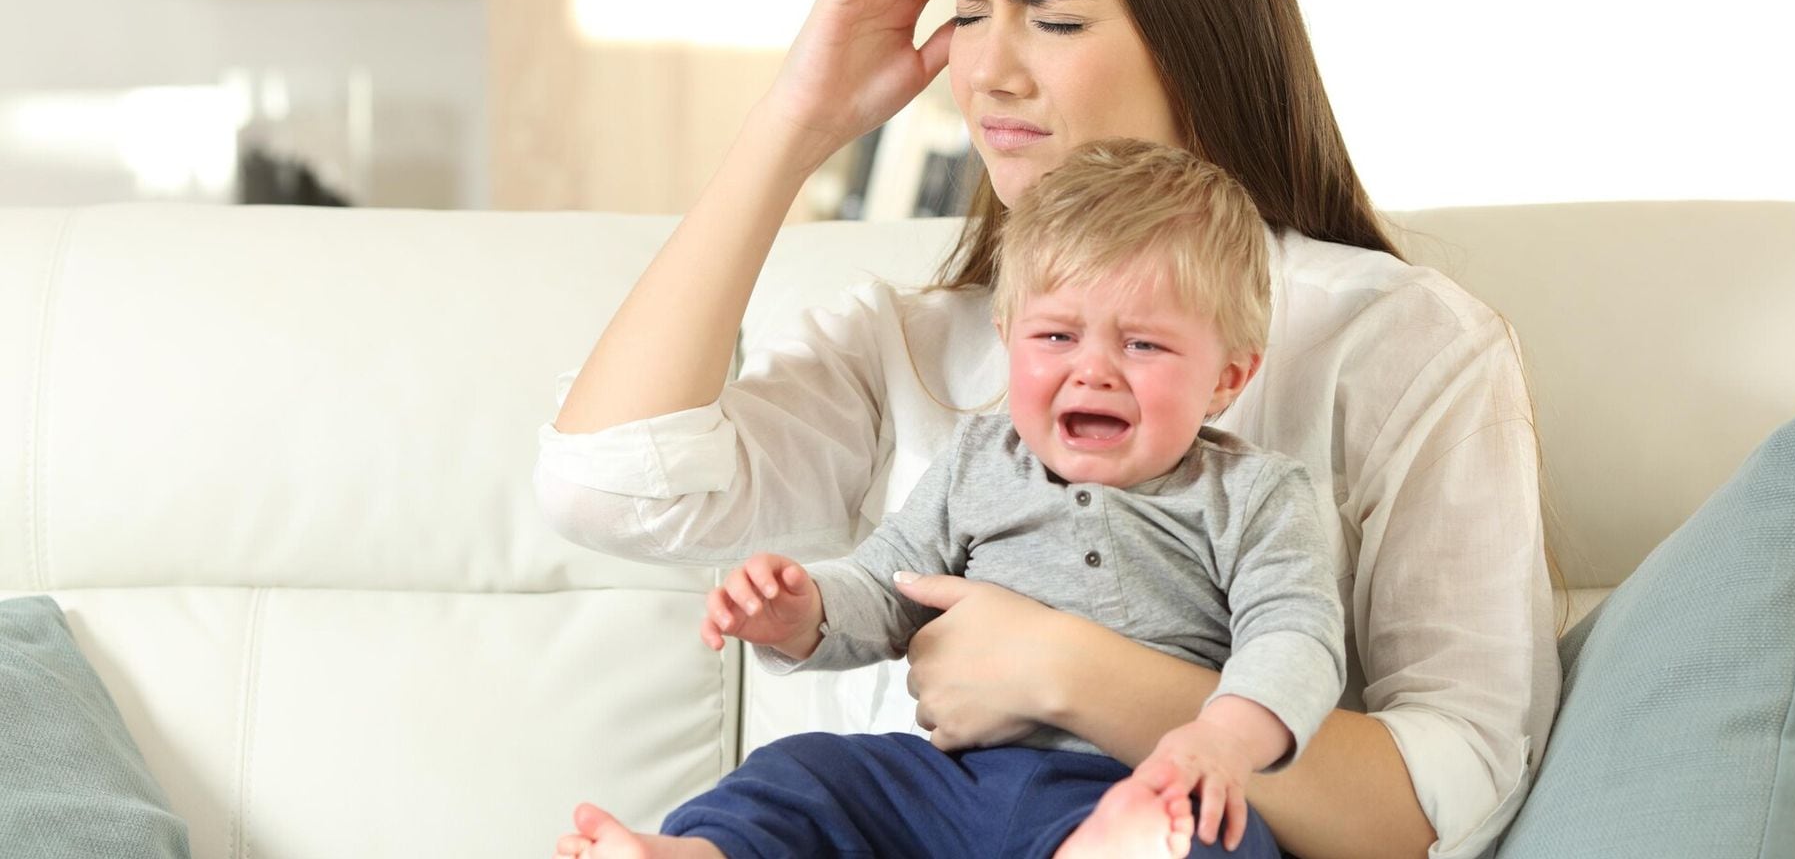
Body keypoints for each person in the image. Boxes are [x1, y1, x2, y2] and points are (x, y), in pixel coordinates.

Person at [536, 0, 1558, 859]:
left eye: (1054, 19)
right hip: (920, 818)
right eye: (970, 11)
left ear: (1197, 42)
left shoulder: (1397, 343)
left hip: (1154, 817)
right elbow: (604, 489)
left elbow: (1458, 792)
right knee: (790, 788)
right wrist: (796, 122)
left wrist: (1075, 675)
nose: (987, 71)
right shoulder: (911, 346)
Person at [553, 140, 1345, 859]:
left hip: (1130, 780)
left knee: (1221, 839)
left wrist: (1221, 744)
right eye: (1057, 336)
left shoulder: (1254, 494)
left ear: (1228, 378)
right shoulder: (977, 459)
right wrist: (803, 611)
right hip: (943, 785)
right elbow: (890, 584)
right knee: (805, 773)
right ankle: (696, 855)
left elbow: (1296, 641)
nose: (1094, 370)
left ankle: (1118, 845)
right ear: (1007, 337)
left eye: (1142, 344)